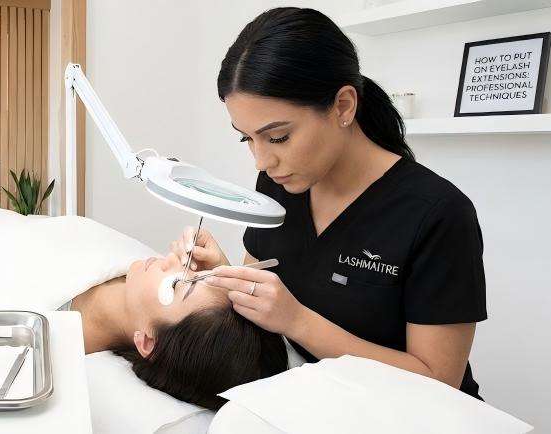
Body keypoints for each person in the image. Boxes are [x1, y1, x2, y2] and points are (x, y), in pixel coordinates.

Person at [169, 7, 487, 399]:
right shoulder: (278, 182)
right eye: (246, 138)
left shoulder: (437, 213)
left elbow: (439, 381)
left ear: (343, 106)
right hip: (319, 402)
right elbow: (266, 300)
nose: (262, 161)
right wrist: (222, 275)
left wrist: (299, 322)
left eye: (279, 137)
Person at [65, 253, 288, 410]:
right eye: (197, 271)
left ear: (149, 343)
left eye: (176, 284)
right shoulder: (129, 271)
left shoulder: (54, 348)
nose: (172, 258)